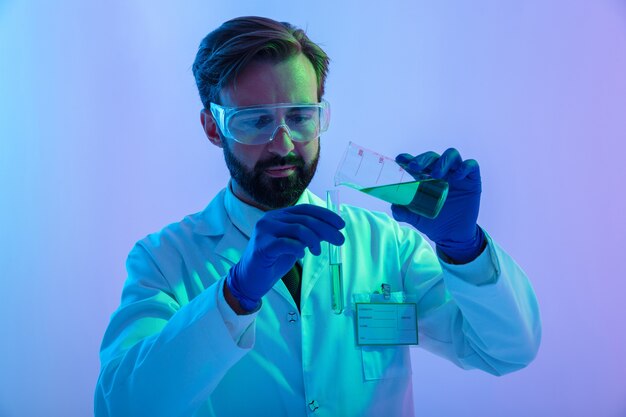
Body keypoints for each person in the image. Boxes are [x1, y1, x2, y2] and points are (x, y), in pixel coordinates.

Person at [95, 16, 541, 417]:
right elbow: (121, 406)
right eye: (254, 121)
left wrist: (465, 250)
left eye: (300, 116)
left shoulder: (387, 245)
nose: (283, 144)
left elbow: (507, 351)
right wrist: (233, 297)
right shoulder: (164, 259)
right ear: (214, 127)